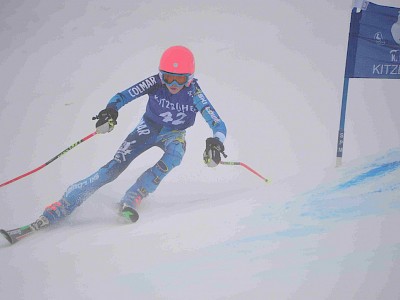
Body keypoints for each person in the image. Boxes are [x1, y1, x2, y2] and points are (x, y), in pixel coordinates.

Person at [30, 45, 227, 230]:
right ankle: (66, 203)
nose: (173, 84)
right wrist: (110, 111)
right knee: (114, 168)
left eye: (180, 80)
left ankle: (135, 195)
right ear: (161, 75)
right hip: (147, 128)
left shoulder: (194, 93)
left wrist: (216, 142)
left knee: (176, 154)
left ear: (190, 78)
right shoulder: (154, 83)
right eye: (168, 78)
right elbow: (122, 96)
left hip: (174, 134)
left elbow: (217, 123)